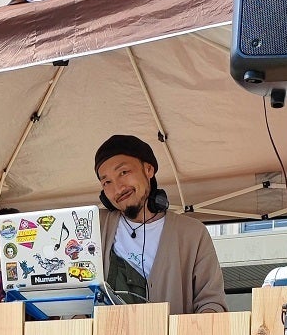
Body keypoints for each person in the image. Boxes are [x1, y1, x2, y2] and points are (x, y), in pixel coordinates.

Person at [94, 134, 227, 315]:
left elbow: (211, 302)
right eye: (107, 182)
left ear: (148, 169)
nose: (117, 188)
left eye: (123, 173)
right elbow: (73, 297)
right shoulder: (94, 228)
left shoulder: (192, 233)